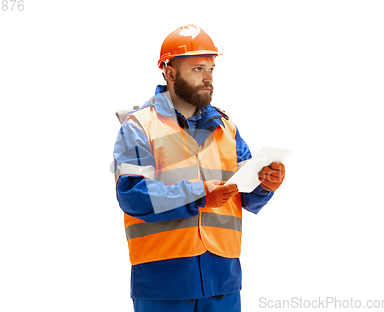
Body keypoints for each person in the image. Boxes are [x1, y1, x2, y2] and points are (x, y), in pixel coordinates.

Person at [113, 24, 286, 312]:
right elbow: (132, 196)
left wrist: (266, 184)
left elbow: (245, 193)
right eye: (197, 69)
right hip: (164, 281)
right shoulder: (139, 127)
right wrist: (199, 195)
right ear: (169, 73)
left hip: (223, 280)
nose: (208, 78)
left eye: (211, 69)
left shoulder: (226, 128)